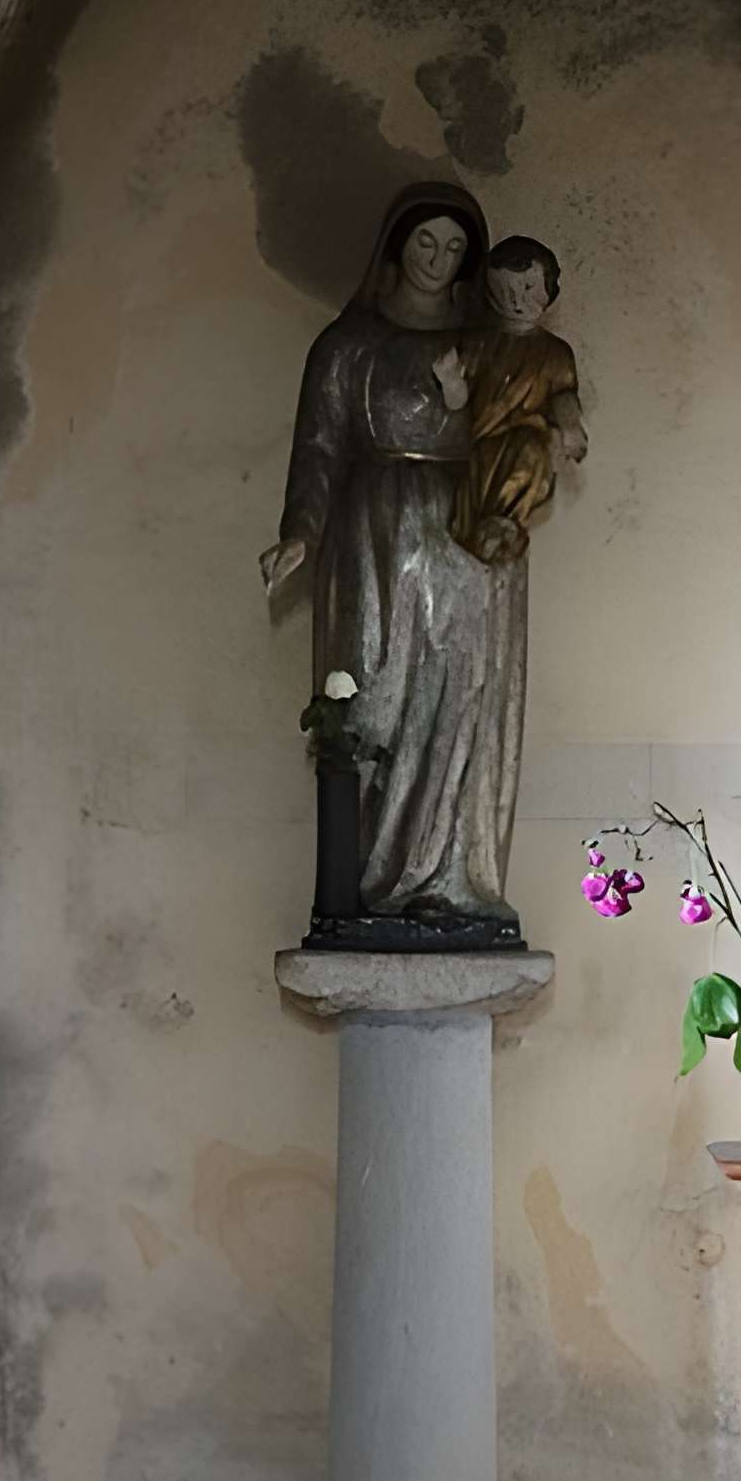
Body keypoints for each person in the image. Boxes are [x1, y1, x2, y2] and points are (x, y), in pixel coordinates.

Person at [260, 182, 527, 933]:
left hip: (469, 537)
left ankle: (448, 875)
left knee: (460, 693)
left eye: (453, 248)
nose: (437, 260)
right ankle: (373, 882)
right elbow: (318, 448)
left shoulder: (487, 351)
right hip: (376, 536)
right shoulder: (347, 346)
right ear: (395, 246)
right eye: (424, 243)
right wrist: (300, 533)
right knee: (372, 695)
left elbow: (524, 421)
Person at [434, 234, 588, 566]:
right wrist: (449, 380)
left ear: (549, 288)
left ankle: (507, 522)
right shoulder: (478, 343)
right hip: (481, 442)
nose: (516, 301)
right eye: (505, 292)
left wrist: (572, 427)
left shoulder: (555, 352)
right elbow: (457, 402)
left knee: (531, 453)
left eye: (528, 290)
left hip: (530, 439)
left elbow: (563, 396)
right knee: (476, 486)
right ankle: (484, 532)